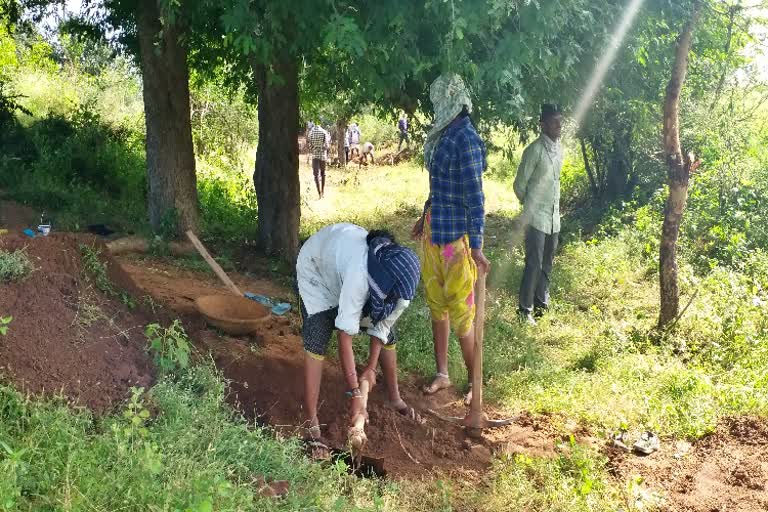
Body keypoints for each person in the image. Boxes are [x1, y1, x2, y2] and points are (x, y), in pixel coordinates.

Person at [296, 223, 422, 457]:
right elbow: (345, 337)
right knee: (318, 333)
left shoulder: (400, 290)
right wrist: (355, 392)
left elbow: (383, 327)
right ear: (385, 284)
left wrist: (371, 369)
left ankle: (394, 398)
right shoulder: (360, 276)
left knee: (388, 337)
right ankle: (311, 422)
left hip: (343, 268)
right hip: (318, 268)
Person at [411, 74, 490, 405]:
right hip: (433, 234)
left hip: (455, 243)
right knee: (437, 307)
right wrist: (423, 215)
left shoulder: (466, 139)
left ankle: (475, 382)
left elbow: (475, 196)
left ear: (453, 102)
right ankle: (443, 373)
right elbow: (440, 188)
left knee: (461, 314)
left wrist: (477, 246)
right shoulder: (445, 136)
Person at [513, 104, 563, 325]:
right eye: (554, 122)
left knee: (548, 262)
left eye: (560, 121)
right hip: (535, 218)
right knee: (533, 263)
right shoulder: (534, 150)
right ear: (542, 125)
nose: (558, 126)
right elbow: (519, 185)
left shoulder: (560, 148)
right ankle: (525, 310)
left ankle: (542, 304)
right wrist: (530, 204)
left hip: (553, 217)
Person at [307, 122, 330, 199]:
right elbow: (327, 145)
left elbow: (309, 145)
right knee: (323, 173)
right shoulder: (324, 131)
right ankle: (323, 191)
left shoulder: (311, 132)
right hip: (323, 155)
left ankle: (319, 192)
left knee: (316, 175)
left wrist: (313, 148)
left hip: (315, 155)